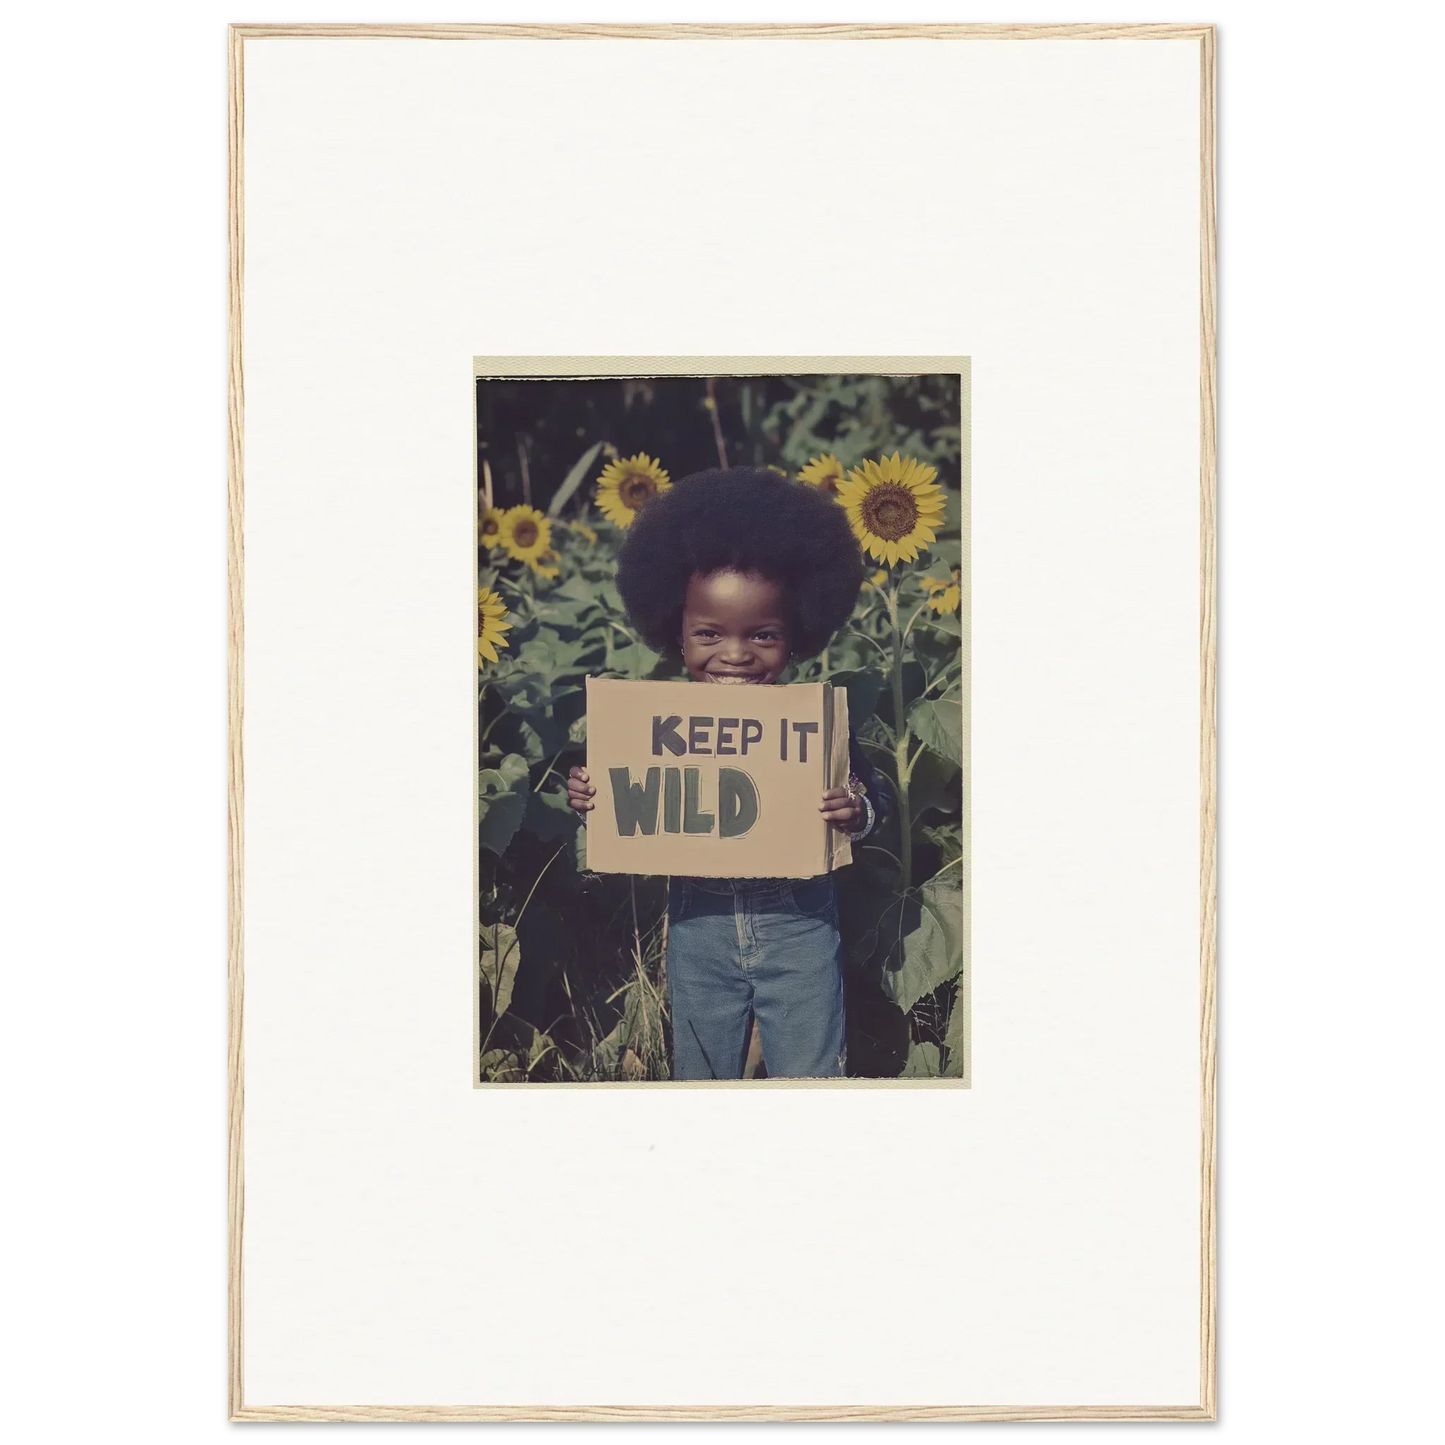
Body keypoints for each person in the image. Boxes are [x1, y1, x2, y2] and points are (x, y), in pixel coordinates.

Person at [566, 467, 891, 1080]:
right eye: (709, 634)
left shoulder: (816, 721)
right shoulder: (653, 725)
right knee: (702, 1070)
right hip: (699, 930)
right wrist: (589, 795)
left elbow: (877, 794)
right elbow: (626, 795)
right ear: (676, 634)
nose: (736, 655)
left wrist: (857, 807)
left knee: (811, 1072)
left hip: (801, 930)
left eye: (763, 635)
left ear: (796, 636)